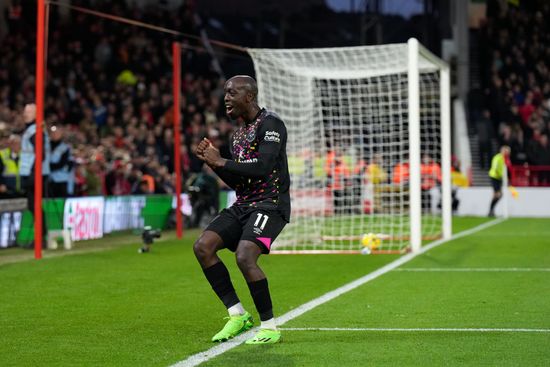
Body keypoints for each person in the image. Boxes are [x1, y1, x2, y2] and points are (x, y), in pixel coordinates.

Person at [193, 75, 290, 345]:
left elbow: (262, 166)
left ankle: (269, 326)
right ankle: (237, 314)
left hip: (270, 204)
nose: (226, 98)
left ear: (249, 96)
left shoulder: (271, 124)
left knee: (246, 257)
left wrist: (221, 160)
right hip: (245, 203)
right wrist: (214, 164)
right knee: (203, 246)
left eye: (232, 93)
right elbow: (241, 180)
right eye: (225, 92)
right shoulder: (238, 135)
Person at [19, 103, 51, 244]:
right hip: (34, 172)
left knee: (35, 206)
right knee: (34, 206)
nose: (25, 114)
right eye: (25, 111)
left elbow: (40, 154)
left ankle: (41, 238)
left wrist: (33, 173)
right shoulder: (33, 129)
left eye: (29, 111)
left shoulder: (34, 130)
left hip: (34, 173)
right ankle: (41, 237)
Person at [49, 125, 74, 198]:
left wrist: (48, 167)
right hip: (50, 180)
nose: (54, 135)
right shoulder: (46, 146)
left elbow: (63, 163)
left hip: (62, 179)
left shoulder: (65, 147)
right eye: (52, 133)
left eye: (56, 133)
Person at [488, 145, 511, 217]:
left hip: (499, 178)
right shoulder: (497, 158)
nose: (507, 153)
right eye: (506, 151)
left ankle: (491, 210)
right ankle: (491, 211)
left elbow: (506, 168)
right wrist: (501, 176)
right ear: (502, 151)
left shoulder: (505, 159)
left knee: (499, 195)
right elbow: (495, 168)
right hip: (494, 177)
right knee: (498, 194)